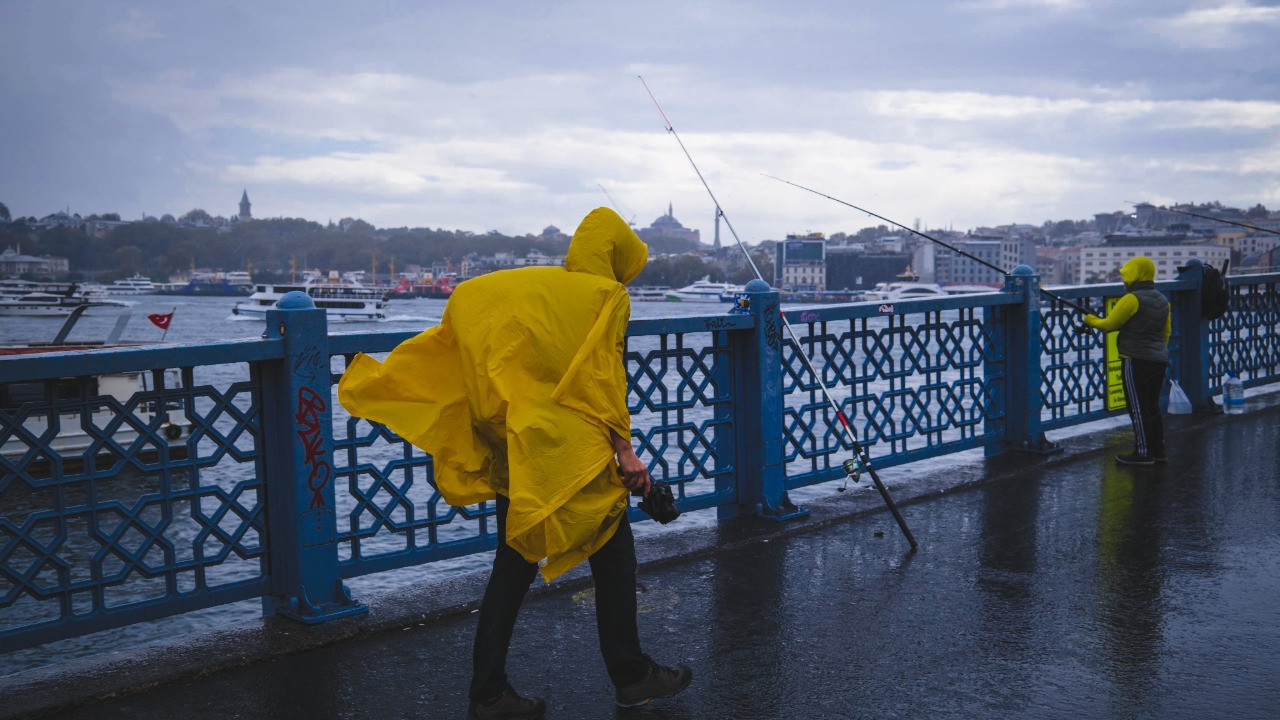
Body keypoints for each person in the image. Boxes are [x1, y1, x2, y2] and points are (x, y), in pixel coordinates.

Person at [337, 207, 692, 719]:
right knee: (613, 561)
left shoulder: (534, 288)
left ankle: (491, 692)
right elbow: (600, 382)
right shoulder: (604, 297)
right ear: (616, 256)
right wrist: (625, 452)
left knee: (513, 563)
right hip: (571, 457)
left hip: (515, 441)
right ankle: (631, 676)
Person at [1082, 256, 1171, 466]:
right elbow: (1166, 332)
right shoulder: (1162, 299)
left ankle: (1142, 453)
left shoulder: (1131, 299)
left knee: (1137, 408)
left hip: (1136, 359)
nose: (1124, 281)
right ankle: (1159, 452)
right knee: (1152, 407)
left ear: (1134, 276)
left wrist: (1089, 319)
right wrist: (1157, 350)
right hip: (1159, 359)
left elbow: (1109, 325)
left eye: (1126, 276)